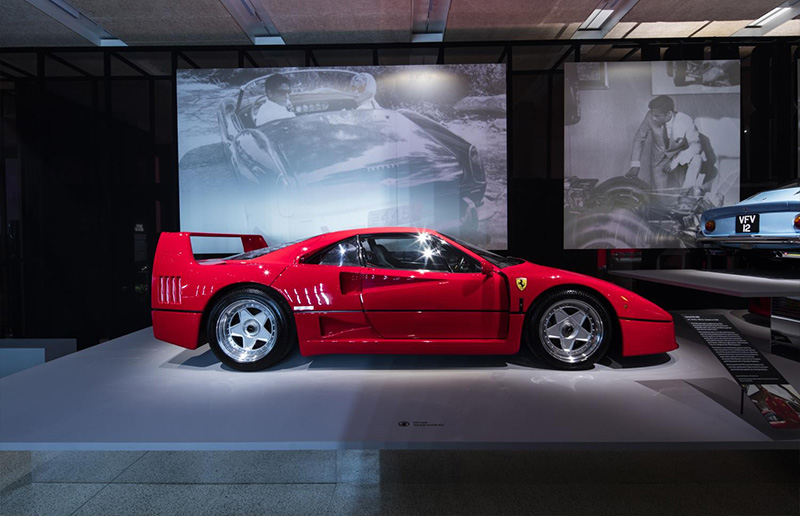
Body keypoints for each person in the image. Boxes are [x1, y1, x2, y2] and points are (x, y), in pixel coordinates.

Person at [626, 95, 702, 195]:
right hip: (658, 160)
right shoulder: (650, 116)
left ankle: (686, 191)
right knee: (661, 198)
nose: (653, 118)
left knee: (697, 159)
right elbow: (639, 138)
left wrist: (675, 162)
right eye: (653, 114)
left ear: (669, 113)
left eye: (657, 116)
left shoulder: (685, 120)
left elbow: (696, 146)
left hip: (680, 158)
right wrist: (635, 164)